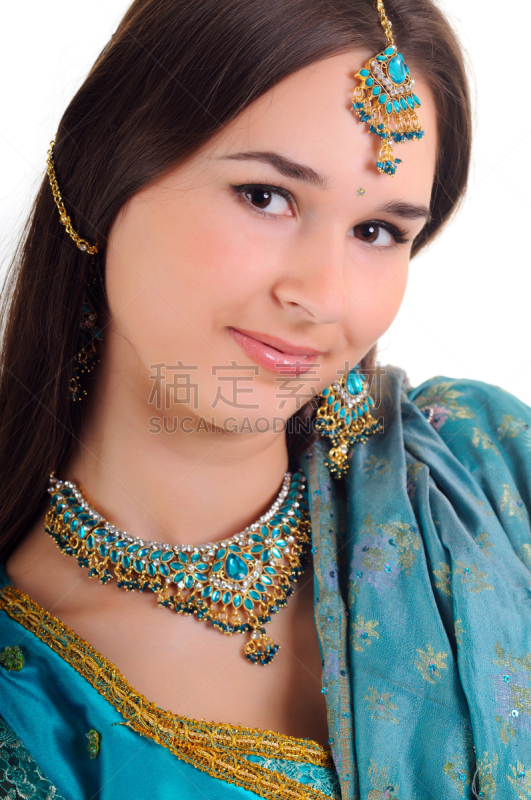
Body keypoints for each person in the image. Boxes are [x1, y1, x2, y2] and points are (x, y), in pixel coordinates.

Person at [0, 0, 530, 797]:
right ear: (99, 173)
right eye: (264, 196)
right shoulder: (28, 705)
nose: (322, 295)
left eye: (377, 231)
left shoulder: (484, 474)